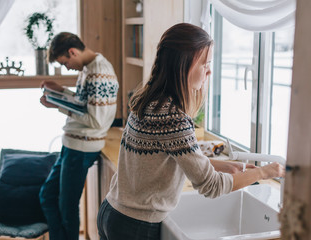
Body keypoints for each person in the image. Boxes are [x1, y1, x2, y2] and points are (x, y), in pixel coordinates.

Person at [97, 23, 285, 240]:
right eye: (204, 64)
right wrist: (265, 172)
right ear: (182, 66)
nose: (209, 71)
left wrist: (226, 166)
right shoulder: (174, 119)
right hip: (136, 225)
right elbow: (211, 186)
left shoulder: (149, 101)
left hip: (112, 211)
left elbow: (168, 159)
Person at [39, 32, 119, 240]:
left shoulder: (99, 72)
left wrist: (58, 104)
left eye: (65, 62)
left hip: (82, 147)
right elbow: (86, 105)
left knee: (67, 207)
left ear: (72, 52)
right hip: (73, 144)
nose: (67, 67)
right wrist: (61, 92)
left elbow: (96, 120)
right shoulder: (89, 70)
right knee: (47, 196)